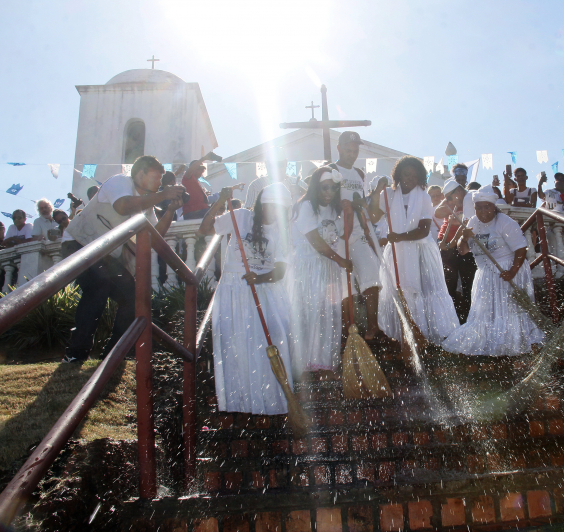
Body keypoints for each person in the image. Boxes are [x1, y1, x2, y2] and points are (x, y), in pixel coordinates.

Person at [61, 156, 185, 363]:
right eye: (156, 177)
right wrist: (163, 195)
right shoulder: (120, 181)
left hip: (106, 255)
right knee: (98, 285)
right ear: (140, 173)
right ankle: (75, 353)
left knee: (134, 297)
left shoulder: (147, 205)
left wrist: (170, 210)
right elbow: (123, 206)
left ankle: (113, 354)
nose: (160, 184)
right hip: (79, 243)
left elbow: (154, 239)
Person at [198, 182, 295, 415]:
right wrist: (220, 201)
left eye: (280, 208)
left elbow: (280, 272)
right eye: (270, 206)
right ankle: (240, 404)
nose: (274, 212)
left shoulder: (283, 232)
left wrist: (259, 278)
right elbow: (204, 229)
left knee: (273, 341)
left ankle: (272, 404)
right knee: (236, 345)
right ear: (261, 204)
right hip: (234, 290)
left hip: (266, 293)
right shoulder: (241, 217)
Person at [442, 185, 544, 356]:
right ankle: (490, 341)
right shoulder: (472, 222)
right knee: (486, 313)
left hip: (507, 270)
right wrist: (464, 238)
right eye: (479, 207)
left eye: (487, 207)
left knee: (508, 311)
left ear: (494, 206)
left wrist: (512, 271)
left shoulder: (505, 222)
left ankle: (512, 342)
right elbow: (462, 250)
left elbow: (521, 249)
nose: (483, 211)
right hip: (485, 272)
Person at [369, 156, 459, 345]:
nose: (409, 178)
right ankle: (403, 335)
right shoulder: (389, 194)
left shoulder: (424, 197)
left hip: (419, 251)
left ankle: (424, 334)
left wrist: (400, 236)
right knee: (398, 291)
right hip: (396, 250)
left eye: (414, 175)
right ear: (398, 175)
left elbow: (424, 230)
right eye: (406, 174)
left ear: (420, 178)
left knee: (421, 291)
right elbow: (374, 217)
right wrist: (377, 193)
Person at [289, 167, 351, 379]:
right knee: (310, 313)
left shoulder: (334, 210)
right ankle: (304, 364)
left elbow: (344, 235)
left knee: (327, 314)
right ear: (316, 187)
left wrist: (348, 213)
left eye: (333, 188)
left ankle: (324, 363)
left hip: (328, 267)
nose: (329, 192)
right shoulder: (305, 206)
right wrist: (341, 260)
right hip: (309, 267)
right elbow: (315, 242)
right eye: (325, 187)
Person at [329, 131, 383, 341]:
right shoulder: (330, 170)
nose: (352, 155)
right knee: (344, 284)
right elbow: (322, 200)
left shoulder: (359, 173)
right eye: (348, 150)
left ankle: (373, 327)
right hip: (337, 235)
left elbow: (363, 203)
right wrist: (345, 205)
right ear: (339, 148)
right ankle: (349, 332)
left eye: (355, 151)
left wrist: (367, 203)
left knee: (371, 276)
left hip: (358, 232)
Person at [435, 179, 477, 323]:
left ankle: (469, 318)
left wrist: (449, 245)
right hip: (450, 245)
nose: (449, 201)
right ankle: (450, 318)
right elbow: (437, 212)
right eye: (447, 198)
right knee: (449, 282)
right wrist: (452, 203)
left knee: (468, 283)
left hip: (464, 246)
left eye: (450, 197)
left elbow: (465, 227)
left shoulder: (470, 198)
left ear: (458, 191)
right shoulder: (455, 200)